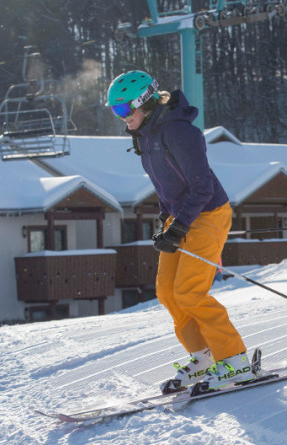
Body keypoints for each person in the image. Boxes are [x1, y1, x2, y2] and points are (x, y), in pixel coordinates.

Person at [106, 70, 254, 393]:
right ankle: (203, 354)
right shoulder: (144, 136)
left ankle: (235, 361)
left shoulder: (178, 132)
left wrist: (181, 225)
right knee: (167, 292)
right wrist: (165, 220)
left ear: (143, 102)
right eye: (115, 111)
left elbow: (200, 187)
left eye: (123, 110)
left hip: (208, 212)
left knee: (190, 291)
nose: (122, 118)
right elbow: (165, 183)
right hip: (181, 215)